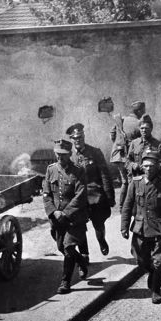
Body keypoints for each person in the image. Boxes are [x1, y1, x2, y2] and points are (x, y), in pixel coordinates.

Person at [121, 151, 161, 304]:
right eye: (145, 166)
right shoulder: (135, 183)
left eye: (151, 166)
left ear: (157, 167)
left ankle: (156, 291)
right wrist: (124, 226)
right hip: (140, 229)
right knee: (141, 261)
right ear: (142, 167)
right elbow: (127, 206)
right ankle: (152, 273)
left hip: (160, 230)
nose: (148, 169)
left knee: (158, 261)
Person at [42, 139, 90, 295]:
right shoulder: (51, 169)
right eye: (57, 154)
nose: (59, 157)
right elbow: (46, 194)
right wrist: (54, 212)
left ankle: (65, 282)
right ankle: (81, 261)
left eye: (63, 154)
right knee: (61, 247)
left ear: (70, 154)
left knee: (68, 248)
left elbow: (80, 195)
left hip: (74, 218)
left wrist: (66, 213)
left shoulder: (78, 171)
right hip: (57, 219)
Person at [67, 123, 115, 258]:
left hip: (94, 196)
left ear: (84, 137)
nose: (78, 140)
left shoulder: (95, 152)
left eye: (80, 137)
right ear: (71, 139)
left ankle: (101, 240)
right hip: (77, 197)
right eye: (75, 138)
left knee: (98, 224)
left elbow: (104, 175)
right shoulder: (69, 156)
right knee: (79, 226)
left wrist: (109, 196)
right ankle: (85, 255)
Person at [111, 101, 146, 209]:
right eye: (143, 110)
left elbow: (112, 134)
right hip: (128, 156)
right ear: (139, 111)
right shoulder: (139, 123)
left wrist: (119, 144)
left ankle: (122, 207)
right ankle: (131, 207)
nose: (144, 112)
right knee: (131, 181)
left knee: (125, 181)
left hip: (117, 154)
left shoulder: (121, 119)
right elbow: (141, 142)